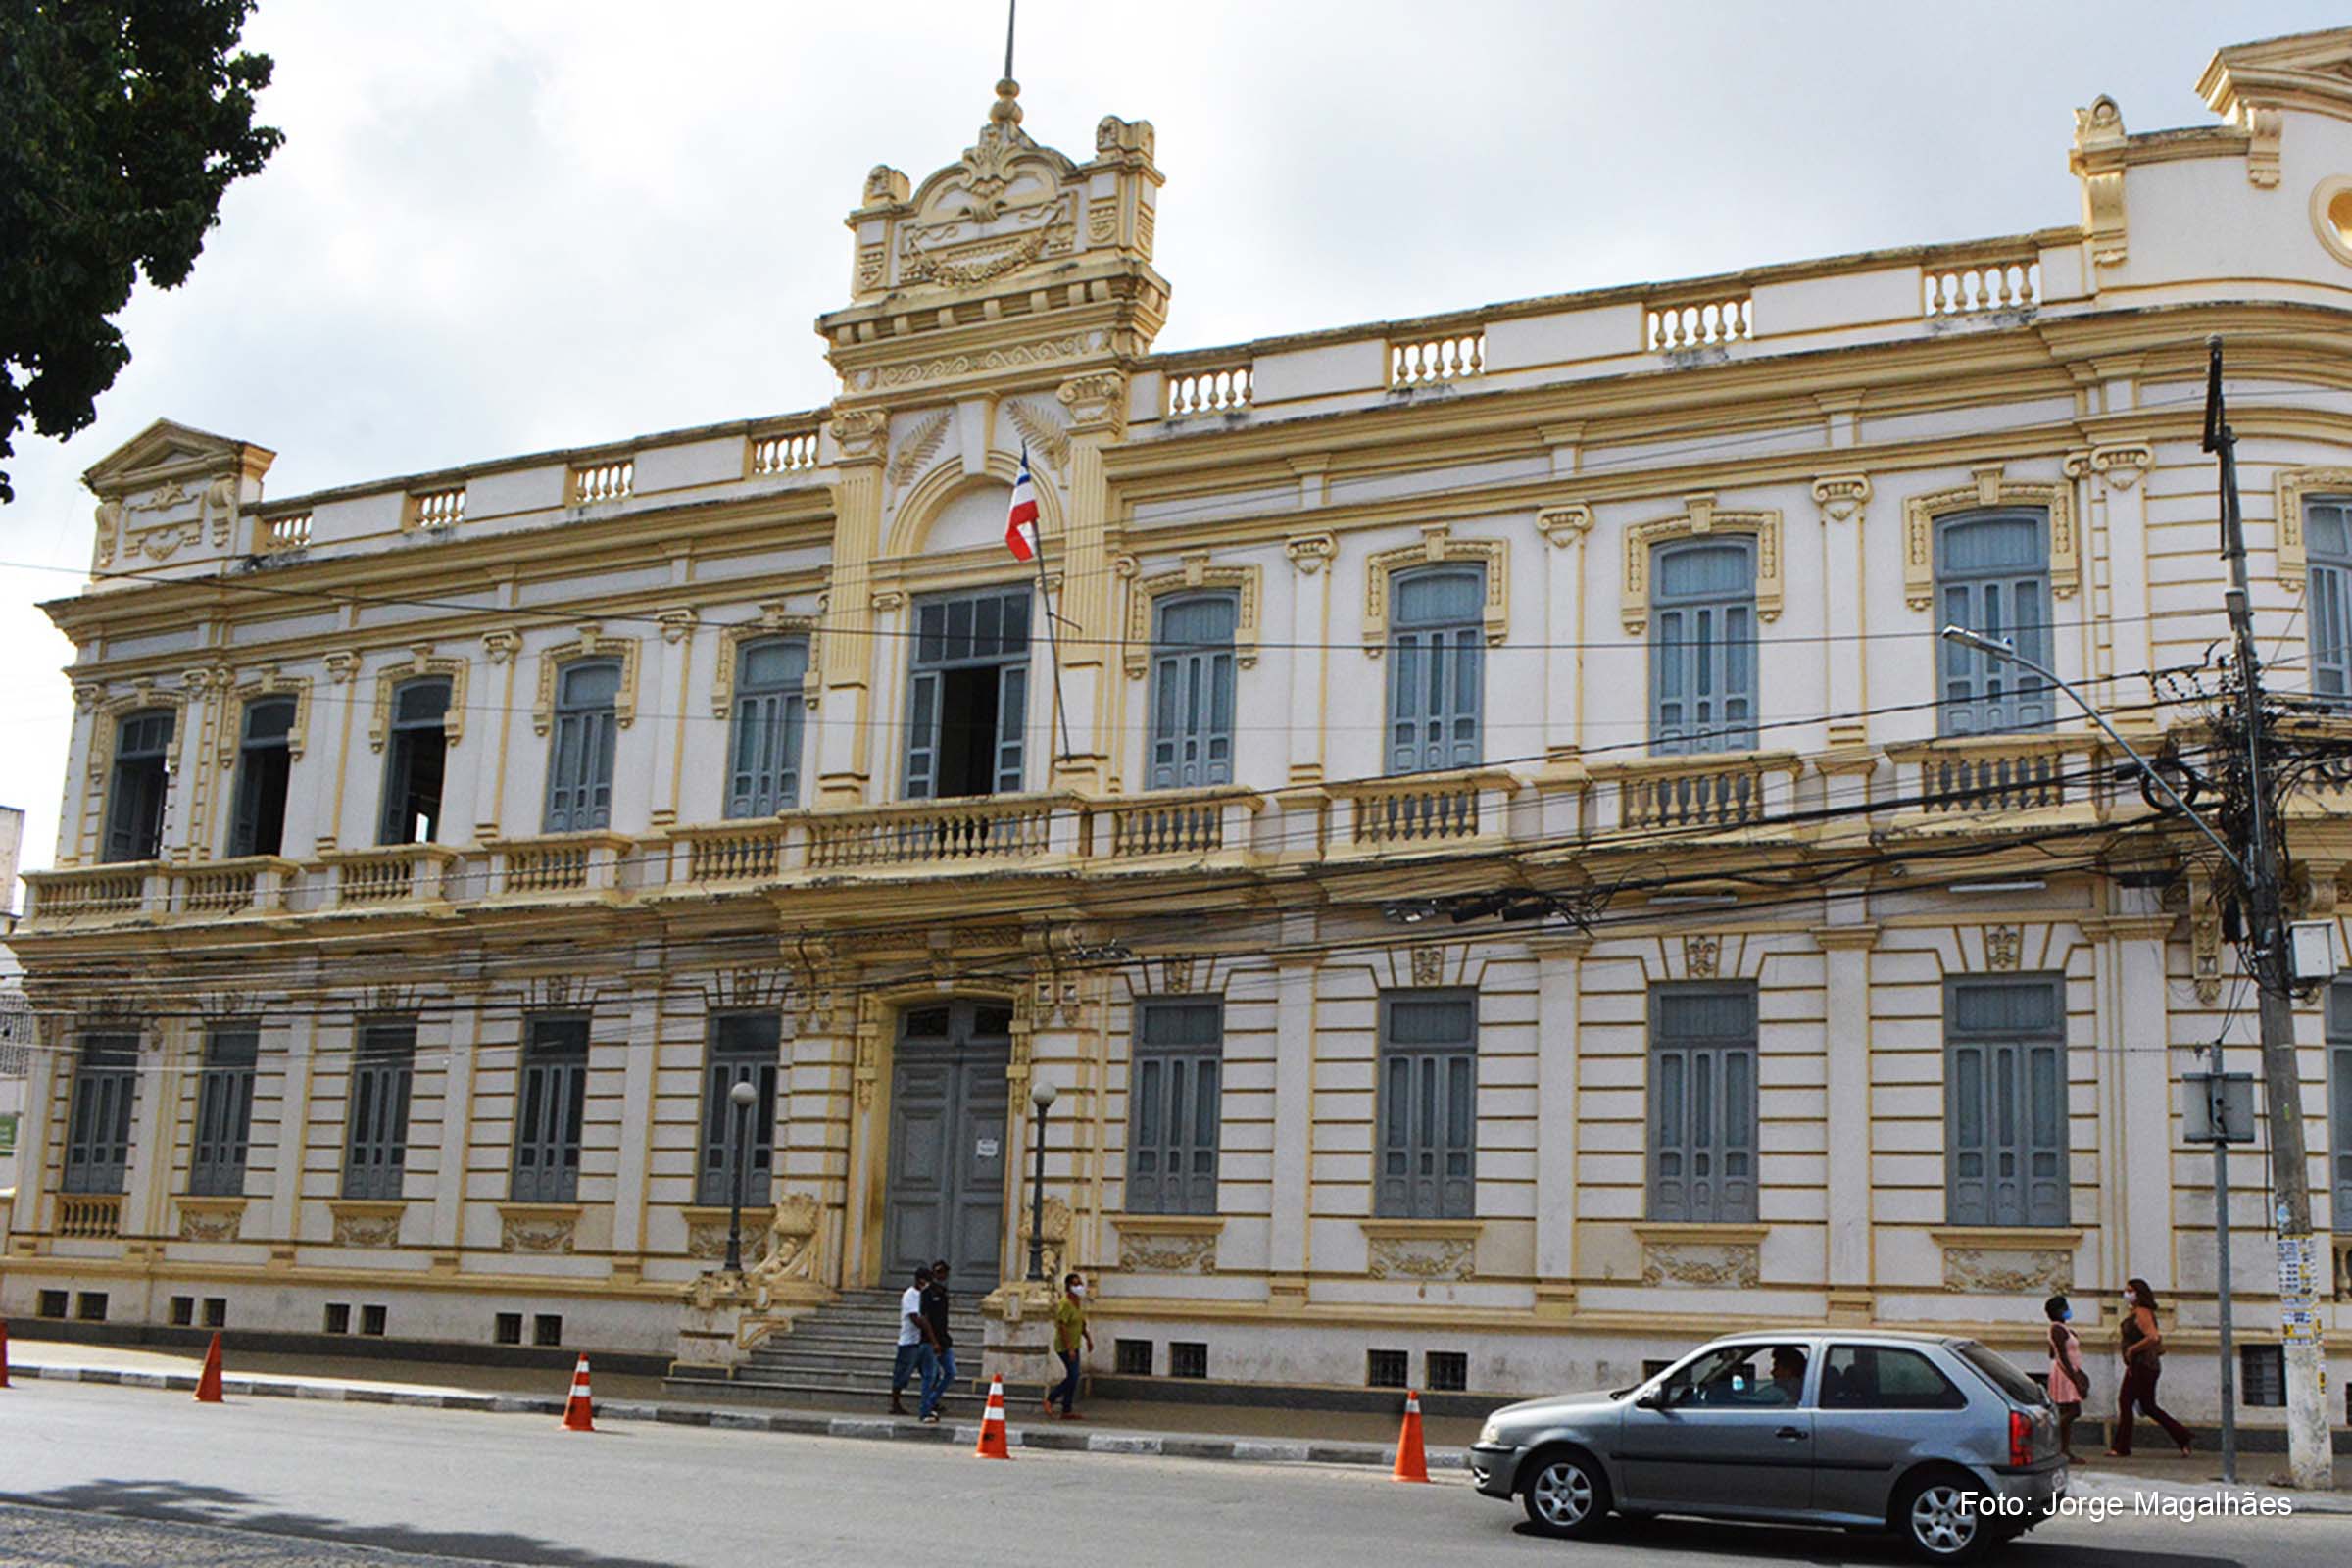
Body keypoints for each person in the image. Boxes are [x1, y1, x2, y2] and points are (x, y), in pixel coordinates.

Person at [2108, 1277, 2190, 1457]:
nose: (2126, 1294)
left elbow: (2153, 1336)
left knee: (2126, 1402)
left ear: (2139, 1294)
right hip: (2144, 1365)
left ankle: (2121, 1446)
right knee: (2148, 1406)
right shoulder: (2139, 1312)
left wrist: (2132, 1349)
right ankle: (2183, 1436)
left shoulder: (2142, 1313)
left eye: (2130, 1291)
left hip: (2141, 1364)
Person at [2044, 1293, 2089, 1461]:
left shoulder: (2063, 1329)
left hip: (2069, 1370)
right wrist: (2074, 1378)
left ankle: (2063, 1449)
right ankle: (2052, 1437)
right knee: (2073, 1411)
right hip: (2065, 1373)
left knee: (2068, 1411)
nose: (2067, 1310)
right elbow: (2060, 1355)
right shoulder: (2057, 1329)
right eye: (2064, 1308)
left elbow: (2052, 1352)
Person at [889, 1265, 938, 1417]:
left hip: (923, 1341)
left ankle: (931, 1402)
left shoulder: (927, 1295)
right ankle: (895, 1403)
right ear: (920, 1280)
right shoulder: (910, 1295)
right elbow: (916, 1319)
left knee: (931, 1374)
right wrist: (933, 1337)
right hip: (909, 1341)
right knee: (902, 1374)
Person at [1047, 1271, 1093, 1419]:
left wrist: (1088, 1339)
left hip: (1075, 1344)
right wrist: (1070, 1348)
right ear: (1068, 1287)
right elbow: (1062, 1326)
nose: (1079, 1287)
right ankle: (1051, 1399)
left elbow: (1081, 1323)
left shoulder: (1077, 1303)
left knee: (1073, 1377)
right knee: (1073, 1376)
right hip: (1065, 1346)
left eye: (1080, 1283)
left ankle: (1066, 1410)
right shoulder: (1065, 1304)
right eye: (1075, 1284)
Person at [916, 1258, 956, 1425]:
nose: (941, 1276)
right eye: (938, 1272)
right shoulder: (927, 1293)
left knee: (950, 1372)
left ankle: (931, 1400)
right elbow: (924, 1318)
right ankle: (924, 1411)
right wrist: (933, 1342)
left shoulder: (943, 1293)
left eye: (944, 1272)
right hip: (929, 1341)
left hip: (943, 1339)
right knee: (929, 1376)